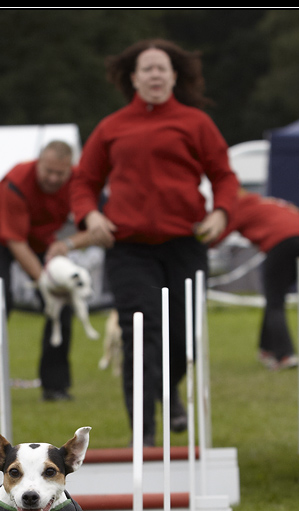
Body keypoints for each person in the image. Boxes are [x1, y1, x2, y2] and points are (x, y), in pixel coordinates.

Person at [70, 39, 239, 443]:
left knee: (181, 336)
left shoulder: (196, 122)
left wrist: (221, 212)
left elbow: (224, 176)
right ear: (134, 78)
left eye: (162, 68)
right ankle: (143, 436)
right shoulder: (111, 127)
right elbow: (84, 181)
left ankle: (168, 390)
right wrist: (91, 215)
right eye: (147, 68)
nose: (155, 75)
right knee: (139, 335)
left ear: (174, 76)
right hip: (129, 249)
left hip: (184, 245)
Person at [0, 141, 101, 403]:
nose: (53, 178)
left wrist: (67, 244)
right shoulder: (17, 181)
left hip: (39, 239)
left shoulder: (78, 182)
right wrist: (44, 281)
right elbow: (15, 241)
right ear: (38, 162)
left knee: (61, 304)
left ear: (70, 169)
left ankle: (55, 386)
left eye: (59, 173)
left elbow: (98, 229)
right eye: (48, 171)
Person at [214, 189, 299, 369]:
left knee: (275, 301)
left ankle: (284, 356)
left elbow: (217, 235)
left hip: (281, 243)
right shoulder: (273, 203)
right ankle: (267, 349)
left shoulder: (239, 208)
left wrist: (194, 244)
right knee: (286, 299)